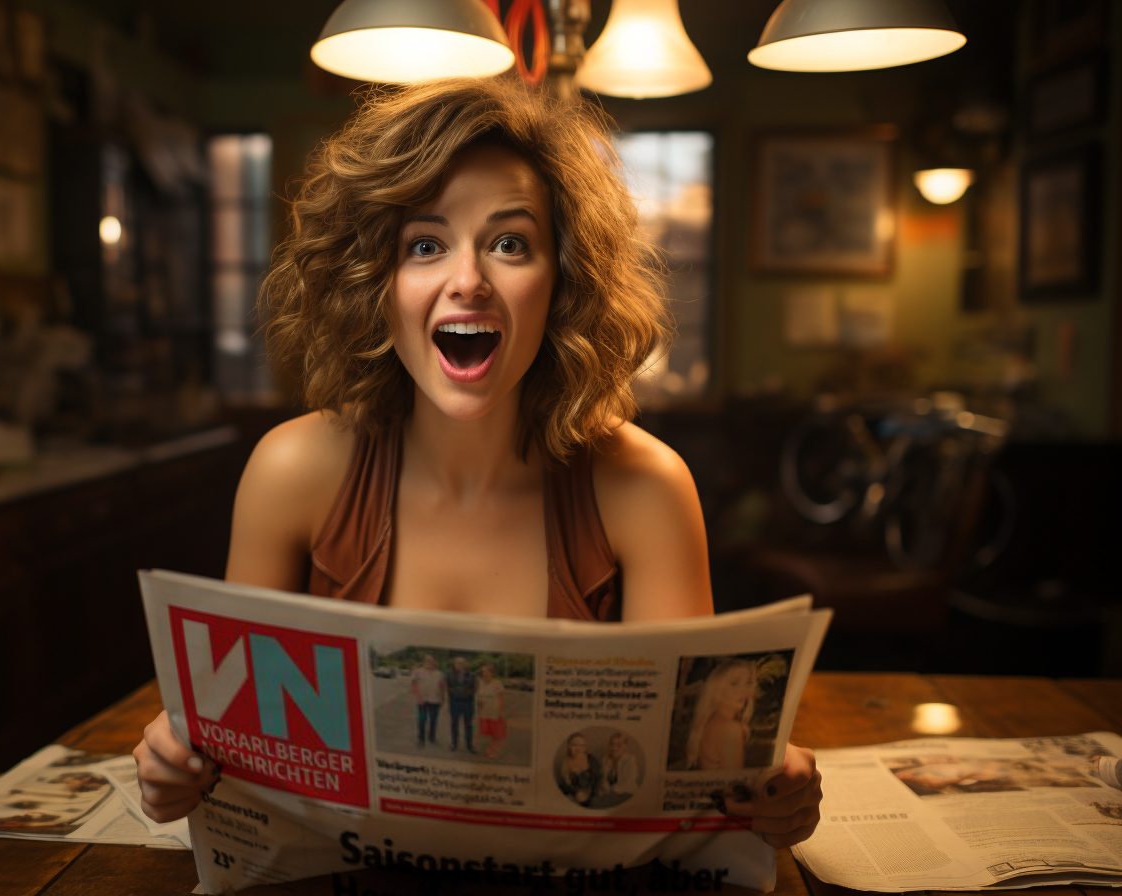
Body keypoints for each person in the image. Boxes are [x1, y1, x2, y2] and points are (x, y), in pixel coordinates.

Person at [133, 75, 821, 849]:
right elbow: (228, 752)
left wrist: (768, 790)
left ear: (563, 282)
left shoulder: (645, 488)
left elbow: (694, 782)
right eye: (424, 245)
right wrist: (178, 764)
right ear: (375, 285)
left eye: (510, 243)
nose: (467, 281)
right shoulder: (292, 472)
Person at [685, 659, 757, 771]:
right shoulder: (730, 729)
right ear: (717, 689)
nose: (744, 690)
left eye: (748, 683)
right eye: (734, 683)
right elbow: (733, 783)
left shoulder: (711, 721)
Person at [410, 653, 448, 746]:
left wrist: (443, 699)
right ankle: (421, 739)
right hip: (422, 701)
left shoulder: (439, 673)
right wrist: (418, 697)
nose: (429, 662)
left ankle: (432, 737)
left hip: (435, 701)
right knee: (422, 720)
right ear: (424, 661)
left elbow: (442, 686)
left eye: (431, 660)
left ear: (434, 662)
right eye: (427, 660)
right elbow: (414, 685)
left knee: (433, 721)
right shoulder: (418, 671)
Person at [557, 733, 602, 807]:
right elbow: (564, 784)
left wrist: (589, 795)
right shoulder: (565, 762)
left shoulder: (592, 760)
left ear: (585, 748)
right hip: (571, 796)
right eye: (574, 745)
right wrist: (575, 793)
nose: (578, 748)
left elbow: (598, 780)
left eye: (581, 745)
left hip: (591, 797)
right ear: (569, 746)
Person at [474, 662, 507, 759]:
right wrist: (479, 705)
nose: (485, 673)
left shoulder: (497, 683)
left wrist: (501, 712)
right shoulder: (480, 682)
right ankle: (490, 748)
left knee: (497, 734)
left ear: (492, 673)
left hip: (494, 713)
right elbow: (479, 697)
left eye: (487, 671)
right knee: (488, 733)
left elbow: (501, 698)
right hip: (484, 713)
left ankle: (494, 751)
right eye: (483, 671)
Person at [597, 732, 641, 803]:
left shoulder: (630, 760)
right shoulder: (605, 759)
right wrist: (605, 772)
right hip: (609, 795)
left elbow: (627, 784)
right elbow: (602, 779)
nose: (614, 748)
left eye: (618, 745)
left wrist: (610, 789)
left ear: (625, 746)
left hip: (626, 795)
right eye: (611, 744)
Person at [445, 656, 477, 752]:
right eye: (458, 663)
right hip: (455, 703)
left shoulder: (472, 675)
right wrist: (450, 700)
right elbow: (448, 688)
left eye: (462, 663)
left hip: (468, 703)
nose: (460, 665)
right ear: (454, 664)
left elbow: (474, 688)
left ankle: (470, 745)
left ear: (465, 664)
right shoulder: (449, 674)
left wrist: (465, 693)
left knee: (469, 725)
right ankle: (454, 744)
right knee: (454, 724)